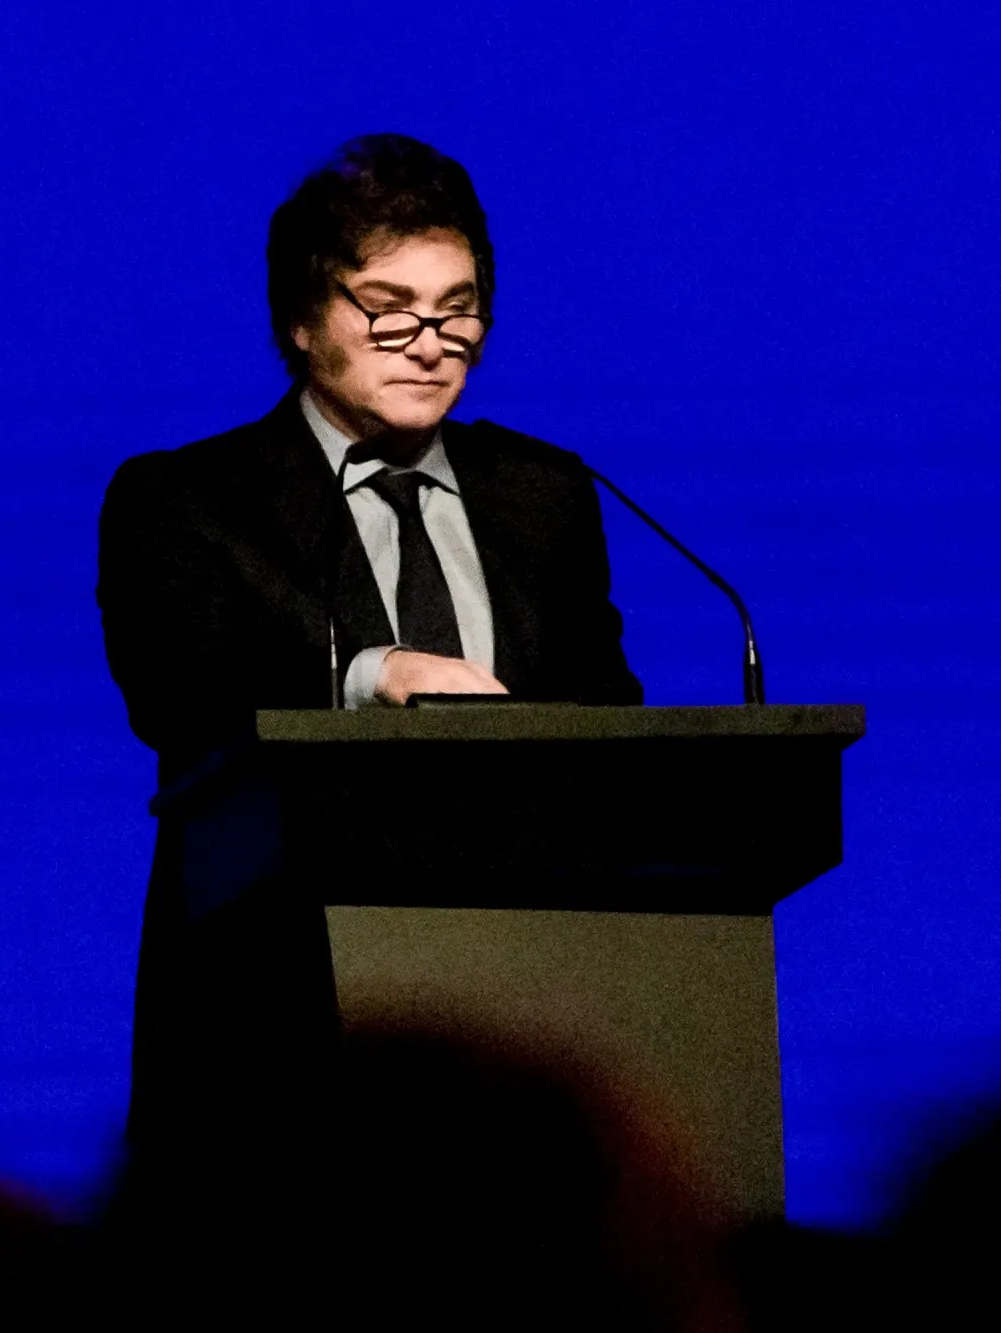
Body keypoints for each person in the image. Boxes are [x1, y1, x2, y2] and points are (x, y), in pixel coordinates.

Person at [96, 134, 644, 1139]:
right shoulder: (184, 502)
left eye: (457, 307)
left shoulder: (544, 495)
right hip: (270, 1018)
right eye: (388, 310)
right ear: (304, 320)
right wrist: (370, 674)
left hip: (527, 1027)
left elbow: (610, 720)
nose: (429, 341)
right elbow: (178, 694)